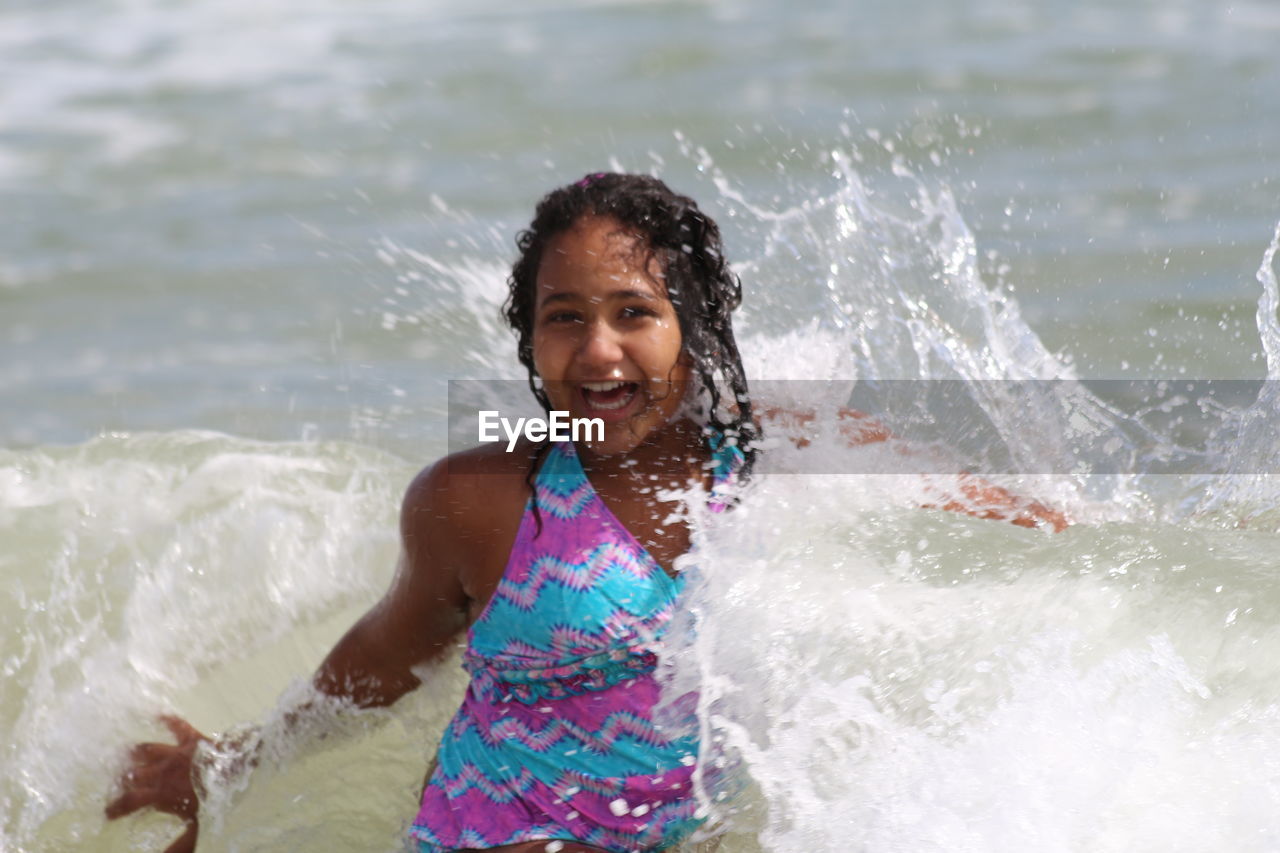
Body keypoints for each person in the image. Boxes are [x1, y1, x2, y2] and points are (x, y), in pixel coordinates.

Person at [106, 173, 1066, 853]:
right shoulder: (480, 501)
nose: (599, 353)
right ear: (529, 340)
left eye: (634, 313)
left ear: (696, 329)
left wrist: (1144, 554)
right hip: (507, 836)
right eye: (564, 317)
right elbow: (381, 664)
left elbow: (990, 510)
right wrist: (234, 761)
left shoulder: (787, 452)